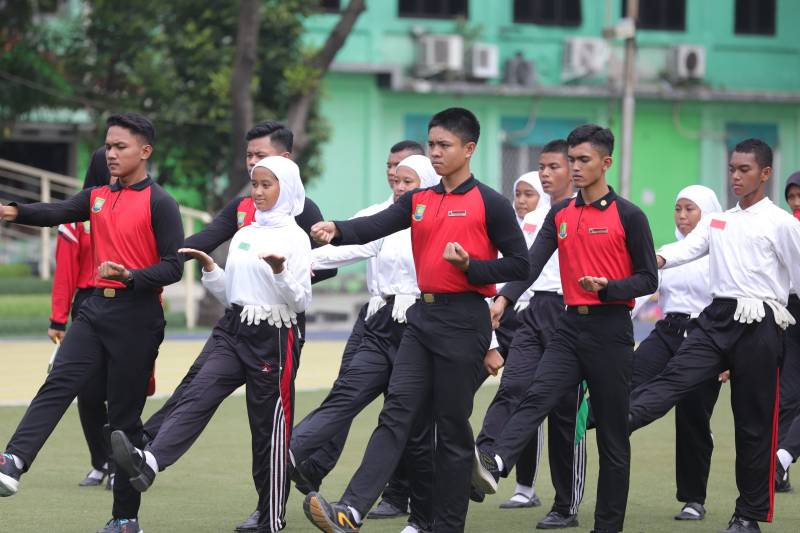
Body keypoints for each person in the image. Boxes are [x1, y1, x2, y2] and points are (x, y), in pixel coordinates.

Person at [303, 107, 529, 533]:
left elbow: (521, 264)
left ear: (469, 149)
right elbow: (376, 225)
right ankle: (350, 511)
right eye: (432, 144)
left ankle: (444, 525)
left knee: (449, 428)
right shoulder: (418, 200)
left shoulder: (491, 204)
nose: (436, 152)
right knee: (397, 415)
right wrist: (337, 229)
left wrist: (472, 267)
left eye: (445, 145)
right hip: (421, 318)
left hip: (465, 320)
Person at [136, 121, 334, 532]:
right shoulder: (247, 229)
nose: (256, 189)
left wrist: (280, 274)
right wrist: (209, 269)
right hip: (236, 328)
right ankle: (149, 459)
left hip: (275, 336)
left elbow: (301, 298)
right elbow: (231, 290)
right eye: (253, 175)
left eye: (265, 179)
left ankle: (269, 515)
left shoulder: (298, 232)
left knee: (266, 432)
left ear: (285, 173)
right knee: (198, 390)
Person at [0, 113, 184, 533]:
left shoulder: (161, 203)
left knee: (123, 423)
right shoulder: (97, 196)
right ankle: (14, 460)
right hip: (94, 309)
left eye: (120, 146)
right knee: (60, 380)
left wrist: (131, 276)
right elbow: (57, 211)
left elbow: (174, 266)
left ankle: (124, 519)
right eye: (108, 146)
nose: (110, 153)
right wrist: (12, 211)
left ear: (145, 151)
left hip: (138, 317)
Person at [473, 124, 658, 533]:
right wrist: (504, 298)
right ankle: (496, 462)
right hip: (569, 325)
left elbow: (648, 278)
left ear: (606, 163)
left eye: (583, 160)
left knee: (612, 437)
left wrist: (609, 288)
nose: (574, 167)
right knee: (537, 394)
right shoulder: (560, 214)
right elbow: (530, 263)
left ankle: (607, 526)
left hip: (610, 330)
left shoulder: (630, 215)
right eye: (571, 159)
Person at [628, 139, 800, 533]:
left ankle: (747, 516)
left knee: (753, 425)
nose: (735, 176)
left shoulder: (783, 224)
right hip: (717, 317)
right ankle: (621, 419)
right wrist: (655, 259)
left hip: (761, 322)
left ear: (765, 173)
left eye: (744, 170)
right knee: (675, 377)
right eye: (732, 169)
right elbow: (687, 249)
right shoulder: (718, 221)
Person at [292, 154, 440, 533]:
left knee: (411, 428)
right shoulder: (384, 218)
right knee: (347, 392)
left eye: (408, 181)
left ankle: (423, 518)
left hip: (421, 327)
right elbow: (348, 246)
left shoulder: (441, 221)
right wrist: (295, 261)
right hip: (381, 323)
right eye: (396, 179)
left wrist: (491, 341)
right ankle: (288, 452)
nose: (399, 187)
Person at [476, 140, 589, 530]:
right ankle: (484, 460)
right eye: (542, 166)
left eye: (554, 166)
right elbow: (527, 265)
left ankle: (565, 505)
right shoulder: (541, 218)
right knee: (514, 386)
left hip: (572, 314)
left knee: (563, 414)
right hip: (534, 309)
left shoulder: (586, 214)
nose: (546, 173)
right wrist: (504, 299)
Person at [628, 185, 723, 521]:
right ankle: (590, 427)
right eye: (678, 209)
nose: (682, 216)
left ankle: (693, 499)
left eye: (689, 209)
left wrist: (729, 356)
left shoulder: (720, 256)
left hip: (705, 338)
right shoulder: (666, 253)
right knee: (626, 385)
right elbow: (639, 292)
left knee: (693, 417)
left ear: (707, 213)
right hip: (666, 333)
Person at [775, 170, 800, 493]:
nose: (795, 202)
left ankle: (782, 457)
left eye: (799, 196)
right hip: (792, 311)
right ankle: (778, 468)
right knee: (788, 395)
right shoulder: (785, 228)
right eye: (791, 197)